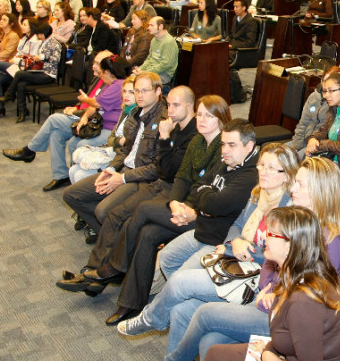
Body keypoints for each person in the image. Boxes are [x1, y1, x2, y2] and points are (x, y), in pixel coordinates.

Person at [123, 156, 340, 361]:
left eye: (300, 184)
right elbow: (269, 266)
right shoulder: (296, 218)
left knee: (203, 314)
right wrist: (270, 286)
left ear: (321, 191)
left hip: (285, 319)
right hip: (266, 298)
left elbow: (312, 297)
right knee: (188, 315)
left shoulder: (330, 240)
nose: (292, 188)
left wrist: (273, 293)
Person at [80, 118, 259, 325]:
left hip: (210, 230)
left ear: (249, 146)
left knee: (144, 209)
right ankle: (131, 302)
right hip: (197, 218)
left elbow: (215, 204)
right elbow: (195, 185)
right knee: (148, 233)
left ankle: (114, 269)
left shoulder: (248, 174)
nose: (225, 150)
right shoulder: (218, 154)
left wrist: (200, 203)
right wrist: (188, 201)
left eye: (231, 145)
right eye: (223, 144)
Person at [57, 94, 230, 284]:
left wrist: (164, 138)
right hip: (156, 182)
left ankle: (106, 272)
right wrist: (115, 168)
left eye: (176, 105)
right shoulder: (174, 128)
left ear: (189, 107)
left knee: (128, 216)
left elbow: (171, 173)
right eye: (169, 104)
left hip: (166, 189)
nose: (170, 110)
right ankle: (95, 271)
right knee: (114, 214)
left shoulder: (193, 136)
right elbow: (140, 155)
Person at [190, 206, 340, 361]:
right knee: (217, 356)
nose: (264, 238)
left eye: (272, 234)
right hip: (291, 360)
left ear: (290, 245)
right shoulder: (294, 274)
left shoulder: (304, 300)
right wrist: (268, 353)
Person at [60, 84, 197, 246]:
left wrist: (123, 177)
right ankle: (108, 236)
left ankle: (111, 241)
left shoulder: (165, 122)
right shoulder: (133, 113)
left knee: (106, 212)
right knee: (71, 194)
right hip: (128, 169)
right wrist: (111, 168)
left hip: (143, 178)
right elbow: (122, 147)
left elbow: (159, 169)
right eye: (135, 91)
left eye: (143, 90)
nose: (138, 95)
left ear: (158, 92)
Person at [1, 52, 124, 191]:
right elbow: (93, 107)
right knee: (56, 133)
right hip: (91, 120)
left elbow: (95, 103)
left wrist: (82, 105)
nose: (95, 69)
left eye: (98, 65)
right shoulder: (106, 82)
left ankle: (30, 150)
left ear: (107, 71)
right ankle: (61, 175)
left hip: (103, 126)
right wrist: (83, 115)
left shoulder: (117, 84)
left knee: (54, 120)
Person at [68, 75, 138, 183]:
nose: (126, 95)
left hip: (121, 158)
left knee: (79, 175)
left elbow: (129, 145)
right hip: (113, 150)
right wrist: (118, 140)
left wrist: (117, 141)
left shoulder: (138, 114)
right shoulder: (125, 110)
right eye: (124, 91)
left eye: (131, 92)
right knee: (73, 170)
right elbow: (112, 139)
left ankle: (90, 196)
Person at [0, 24, 62, 123]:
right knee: (21, 84)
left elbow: (56, 60)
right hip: (40, 71)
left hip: (48, 75)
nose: (38, 37)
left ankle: (9, 94)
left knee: (19, 74)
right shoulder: (43, 42)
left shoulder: (54, 44)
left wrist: (43, 57)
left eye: (39, 34)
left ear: (43, 34)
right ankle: (23, 111)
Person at [290, 66, 340, 153]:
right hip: (304, 139)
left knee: (292, 160)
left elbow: (326, 133)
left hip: (318, 144)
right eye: (323, 80)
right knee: (280, 153)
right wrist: (296, 146)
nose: (324, 85)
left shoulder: (336, 103)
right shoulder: (314, 96)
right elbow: (303, 123)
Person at [137, 16, 179, 85]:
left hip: (163, 75)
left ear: (161, 26)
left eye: (152, 25)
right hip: (152, 71)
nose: (148, 28)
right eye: (149, 25)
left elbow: (165, 65)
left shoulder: (169, 42)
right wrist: (141, 69)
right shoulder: (154, 40)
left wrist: (145, 72)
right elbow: (150, 58)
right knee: (132, 77)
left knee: (139, 81)